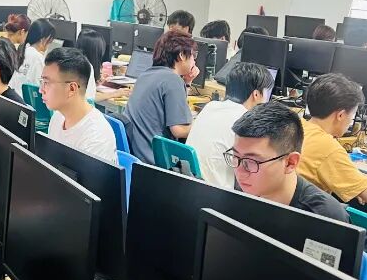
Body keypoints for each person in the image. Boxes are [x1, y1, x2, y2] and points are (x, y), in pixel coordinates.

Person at [229, 102, 349, 221]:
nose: (240, 173)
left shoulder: (325, 218)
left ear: (290, 162)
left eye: (251, 161)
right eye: (235, 156)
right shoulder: (242, 192)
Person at [187, 62, 273, 190]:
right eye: (266, 93)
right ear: (256, 95)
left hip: (191, 184)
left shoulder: (211, 106)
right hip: (218, 193)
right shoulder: (247, 121)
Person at [297, 73, 367, 205]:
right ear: (340, 115)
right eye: (353, 115)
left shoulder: (297, 126)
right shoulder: (328, 148)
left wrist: (356, 183)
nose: (351, 120)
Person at [121, 29, 196, 164]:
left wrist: (187, 82)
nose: (194, 61)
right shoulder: (173, 80)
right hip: (154, 161)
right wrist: (202, 125)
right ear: (181, 55)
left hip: (136, 157)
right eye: (192, 56)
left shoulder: (145, 75)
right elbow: (179, 130)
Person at [41, 48, 118, 164]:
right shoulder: (57, 118)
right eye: (42, 82)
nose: (41, 90)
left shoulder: (96, 137)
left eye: (47, 83)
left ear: (72, 89)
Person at [11, 18, 55, 96]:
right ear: (43, 39)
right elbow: (40, 88)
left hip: (14, 96)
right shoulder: (38, 58)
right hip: (26, 100)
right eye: (50, 41)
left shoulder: (24, 50)